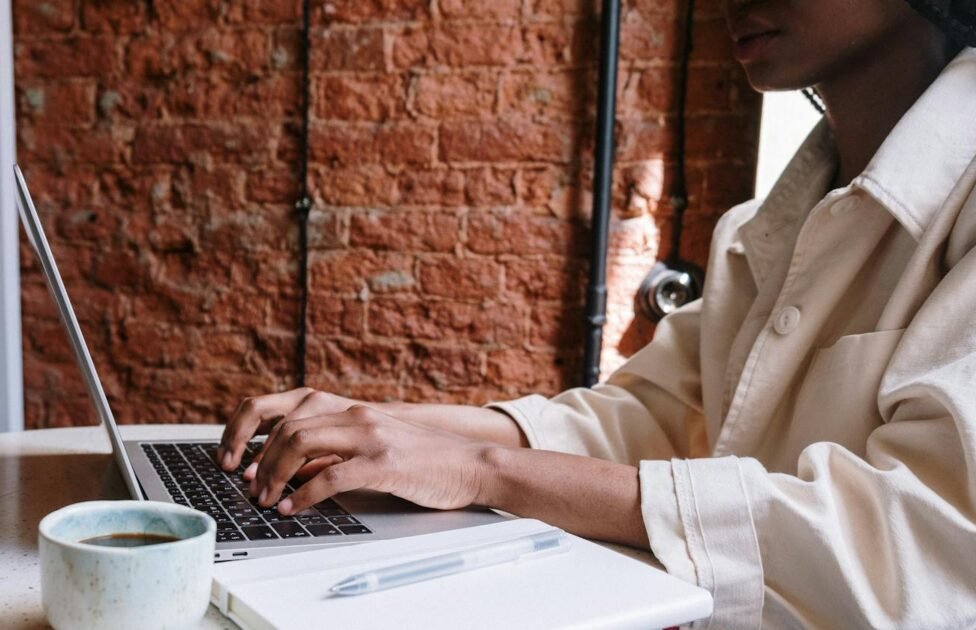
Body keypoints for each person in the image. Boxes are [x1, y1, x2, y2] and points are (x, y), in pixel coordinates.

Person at [216, 1, 976, 626]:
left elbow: (920, 540)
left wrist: (483, 472)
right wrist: (390, 431)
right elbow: (648, 416)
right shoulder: (772, 225)